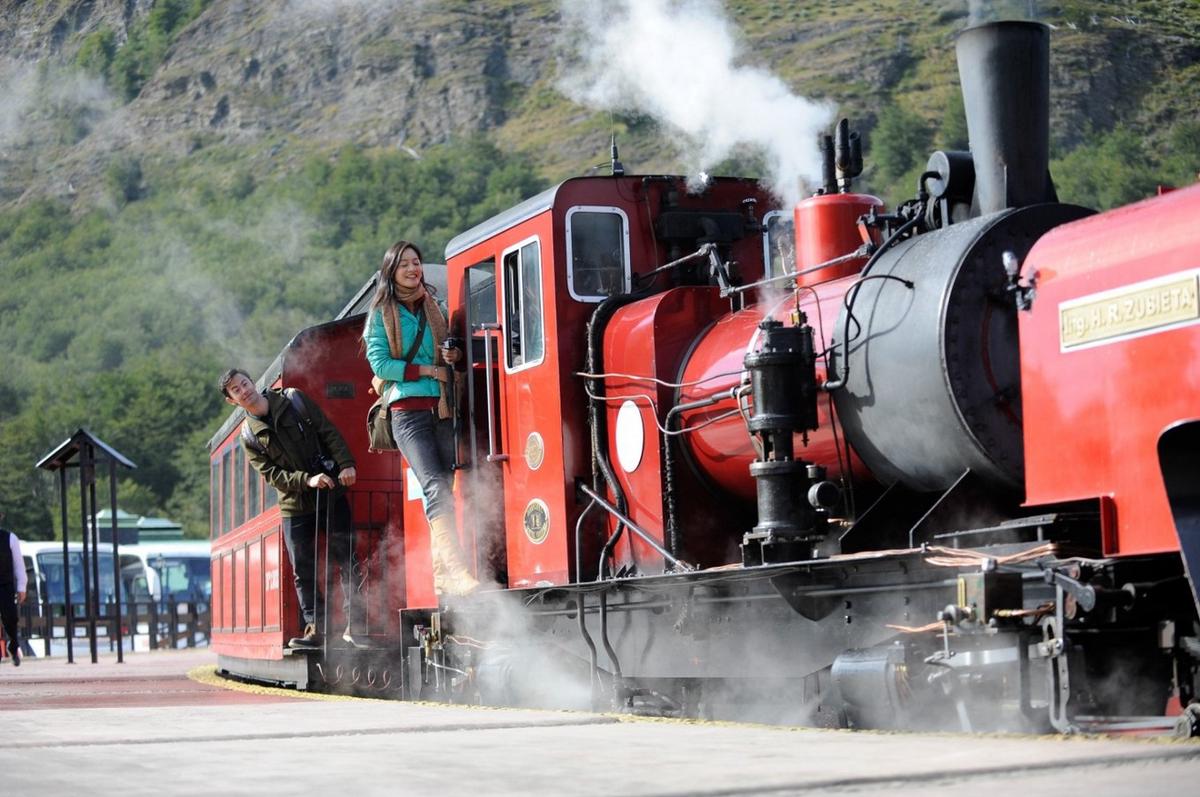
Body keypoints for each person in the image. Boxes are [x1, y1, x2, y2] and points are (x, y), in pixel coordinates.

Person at [363, 240, 479, 596]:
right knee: (435, 487)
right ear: (391, 272)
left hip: (440, 408)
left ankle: (444, 581)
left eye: (416, 262)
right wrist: (428, 370)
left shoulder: (435, 307)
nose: (413, 269)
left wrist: (453, 355)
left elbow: (449, 356)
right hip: (407, 413)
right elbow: (381, 365)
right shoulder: (381, 314)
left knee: (445, 488)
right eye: (405, 265)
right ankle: (458, 573)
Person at [219, 368, 364, 648]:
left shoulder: (294, 399)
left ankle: (356, 624)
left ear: (253, 382)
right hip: (294, 505)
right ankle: (317, 629)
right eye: (236, 390)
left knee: (346, 558)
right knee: (303, 569)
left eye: (244, 383)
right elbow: (272, 475)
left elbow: (327, 431)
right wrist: (306, 480)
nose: (243, 390)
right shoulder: (248, 436)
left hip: (331, 493)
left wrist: (346, 464)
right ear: (231, 400)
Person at [0, 513, 27, 666]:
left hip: (5, 585)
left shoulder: (10, 538)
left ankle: (13, 645)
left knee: (10, 618)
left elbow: (19, 565)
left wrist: (21, 586)